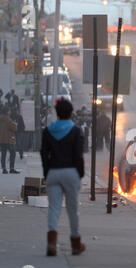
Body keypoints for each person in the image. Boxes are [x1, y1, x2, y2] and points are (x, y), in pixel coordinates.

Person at [40, 98, 85, 257]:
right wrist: (80, 173)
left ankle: (51, 243)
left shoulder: (48, 130)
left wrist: (47, 172)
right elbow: (78, 155)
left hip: (53, 172)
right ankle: (75, 244)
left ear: (57, 113)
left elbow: (44, 154)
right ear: (71, 113)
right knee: (73, 210)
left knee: (54, 208)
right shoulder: (75, 131)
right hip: (71, 172)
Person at [0, 106, 19, 174]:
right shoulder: (8, 119)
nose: (10, 112)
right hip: (9, 139)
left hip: (1, 139)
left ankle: (4, 169)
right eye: (9, 111)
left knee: (3, 154)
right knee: (13, 153)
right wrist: (15, 124)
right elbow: (14, 128)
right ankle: (11, 168)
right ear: (7, 112)